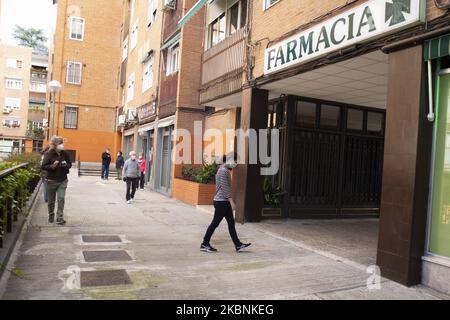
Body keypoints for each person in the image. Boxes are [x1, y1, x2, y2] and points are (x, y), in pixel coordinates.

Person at [201, 154, 251, 253]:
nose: (235, 164)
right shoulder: (223, 171)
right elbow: (225, 188)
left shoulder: (222, 170)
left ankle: (238, 245)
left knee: (231, 223)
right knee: (215, 223)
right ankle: (205, 244)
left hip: (223, 202)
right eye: (235, 161)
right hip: (221, 202)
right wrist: (232, 201)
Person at [41, 136, 72, 225]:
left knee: (61, 198)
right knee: (51, 201)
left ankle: (59, 218)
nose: (62, 145)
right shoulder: (49, 154)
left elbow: (70, 164)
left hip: (62, 180)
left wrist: (66, 165)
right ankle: (51, 215)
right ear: (54, 145)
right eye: (59, 143)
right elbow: (43, 166)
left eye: (62, 143)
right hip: (51, 181)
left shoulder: (65, 153)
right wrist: (52, 166)